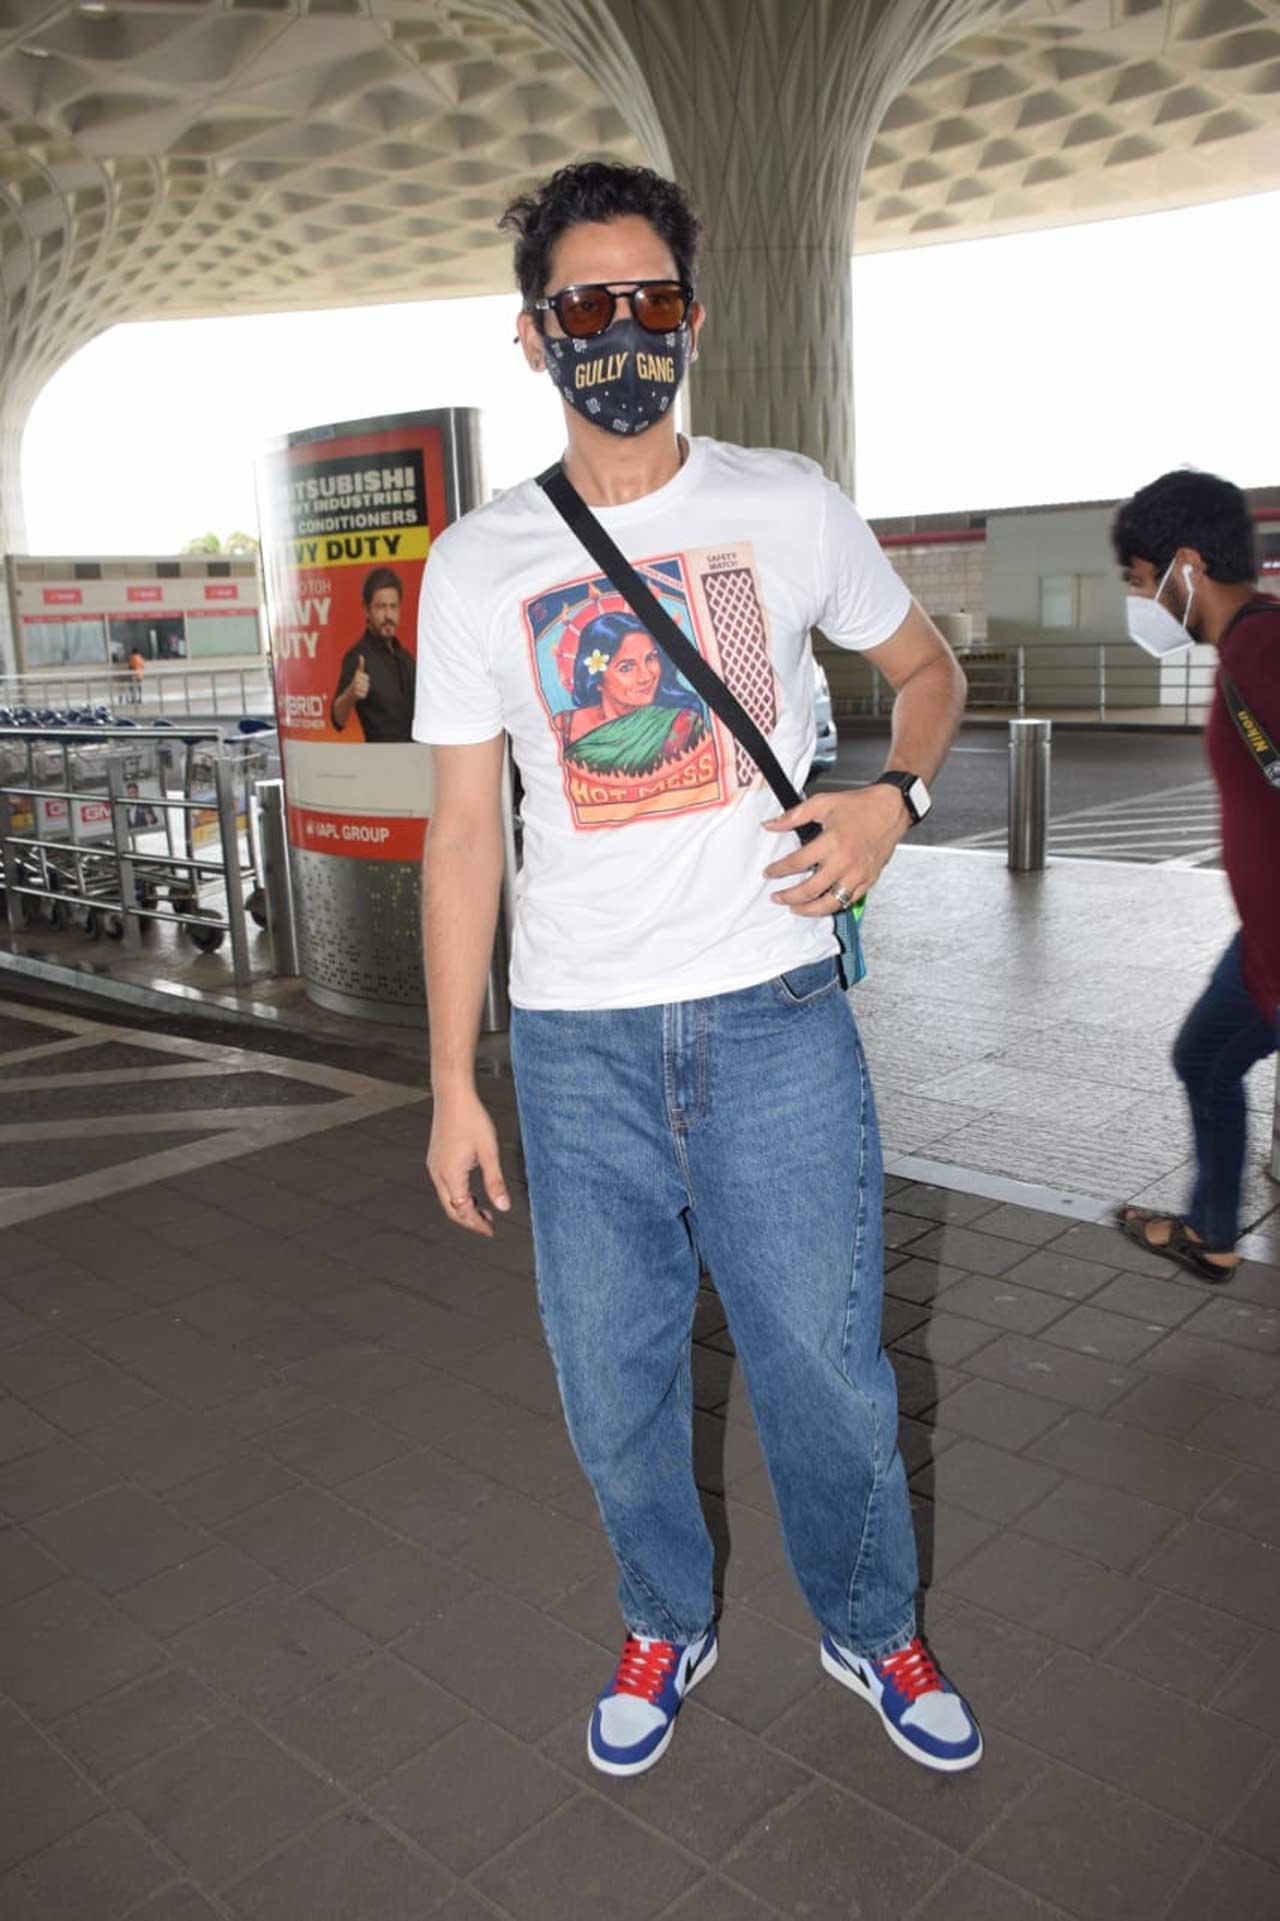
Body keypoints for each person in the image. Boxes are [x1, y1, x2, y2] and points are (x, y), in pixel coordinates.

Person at [414, 160, 980, 1781]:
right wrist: (456, 1082)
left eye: (646, 304)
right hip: (578, 1049)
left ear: (693, 321)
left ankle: (873, 1624)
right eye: (584, 308)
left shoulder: (786, 502)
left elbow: (924, 670)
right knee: (613, 1384)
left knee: (825, 1369)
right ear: (535, 338)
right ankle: (666, 1611)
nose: (618, 334)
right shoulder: (480, 561)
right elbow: (466, 836)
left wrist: (895, 797)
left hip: (776, 1018)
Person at [1113, 469, 1279, 1280]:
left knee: (1205, 1058)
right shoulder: (1247, 645)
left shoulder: (1263, 646)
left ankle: (1214, 1230)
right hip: (1261, 946)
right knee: (1203, 1057)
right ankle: (1212, 1233)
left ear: (1184, 566)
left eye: (1141, 583)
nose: (1141, 603)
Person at [331, 567, 415, 741]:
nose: (388, 615)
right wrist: (351, 693)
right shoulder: (358, 657)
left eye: (393, 606)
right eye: (380, 607)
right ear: (367, 610)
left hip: (416, 759)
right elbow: (337, 719)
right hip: (379, 763)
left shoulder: (406, 657)